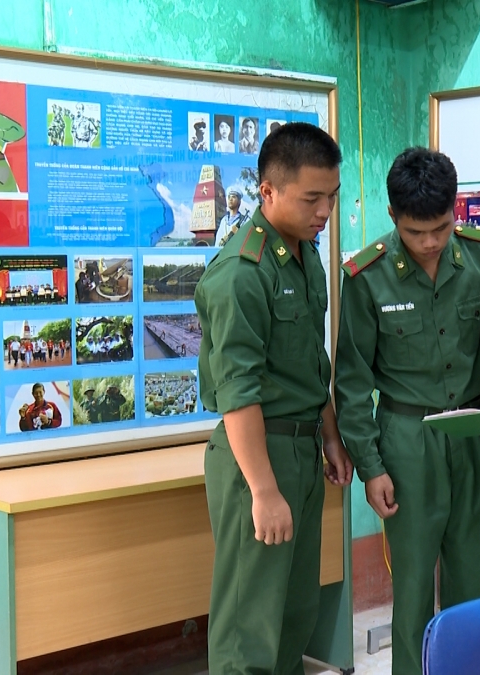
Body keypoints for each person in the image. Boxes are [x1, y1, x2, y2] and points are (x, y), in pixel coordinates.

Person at [335, 148, 480, 675]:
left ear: (455, 212)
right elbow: (351, 381)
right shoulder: (367, 276)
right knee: (411, 589)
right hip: (406, 439)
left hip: (473, 430)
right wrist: (372, 467)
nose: (431, 242)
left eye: (440, 228)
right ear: (393, 217)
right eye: (416, 232)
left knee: (475, 578)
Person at [193, 121, 353, 674]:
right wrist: (262, 490)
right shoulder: (243, 271)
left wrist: (330, 435)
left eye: (330, 197)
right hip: (256, 458)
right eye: (312, 198)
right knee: (249, 626)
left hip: (303, 450)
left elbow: (313, 363)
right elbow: (238, 392)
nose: (324, 211)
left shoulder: (304, 258)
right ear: (268, 191)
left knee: (293, 613)